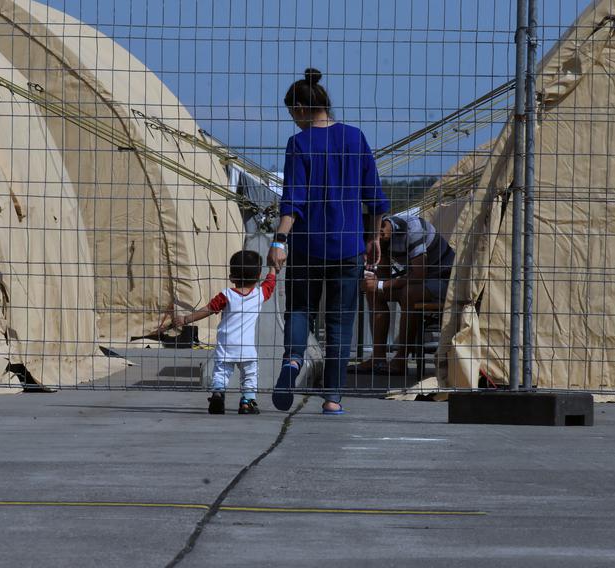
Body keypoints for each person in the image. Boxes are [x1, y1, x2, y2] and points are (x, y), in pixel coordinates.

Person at [267, 67, 389, 415]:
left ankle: (292, 361)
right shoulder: (355, 138)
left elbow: (293, 200)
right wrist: (373, 236)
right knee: (340, 321)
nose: (293, 121)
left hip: (307, 247)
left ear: (303, 108)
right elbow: (374, 196)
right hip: (348, 247)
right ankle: (333, 398)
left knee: (300, 309)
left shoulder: (299, 144)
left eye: (292, 113)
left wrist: (279, 240)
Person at [170, 250, 277, 415]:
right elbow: (270, 284)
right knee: (249, 375)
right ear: (257, 277)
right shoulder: (259, 294)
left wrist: (186, 319)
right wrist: (273, 269)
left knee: (221, 373)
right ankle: (247, 403)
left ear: (231, 277)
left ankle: (218, 394)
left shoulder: (226, 296)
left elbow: (208, 310)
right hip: (247, 349)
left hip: (226, 346)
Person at [355, 213, 455, 375]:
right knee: (375, 294)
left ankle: (401, 359)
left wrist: (380, 284)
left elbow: (419, 274)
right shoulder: (383, 238)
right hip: (422, 281)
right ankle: (378, 357)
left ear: (380, 233)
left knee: (409, 293)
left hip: (445, 281)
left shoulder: (412, 229)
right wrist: (372, 280)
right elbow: (384, 274)